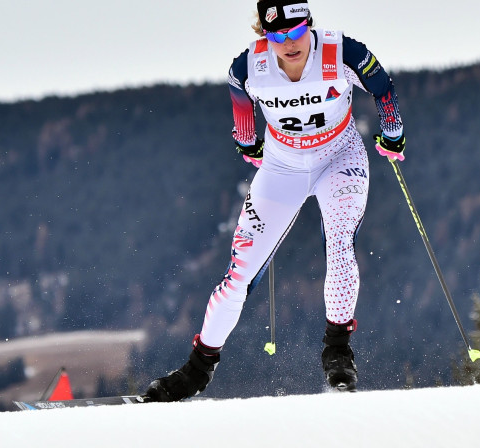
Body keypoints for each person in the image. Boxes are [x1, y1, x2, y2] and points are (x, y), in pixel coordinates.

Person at [143, 0, 405, 402]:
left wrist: (392, 132)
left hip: (340, 158)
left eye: (297, 32)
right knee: (238, 274)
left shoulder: (342, 52)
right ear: (264, 36)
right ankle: (196, 370)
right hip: (282, 167)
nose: (289, 43)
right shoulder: (248, 67)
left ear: (310, 26)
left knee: (339, 246)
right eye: (277, 36)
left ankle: (337, 351)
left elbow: (382, 87)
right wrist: (248, 143)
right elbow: (242, 114)